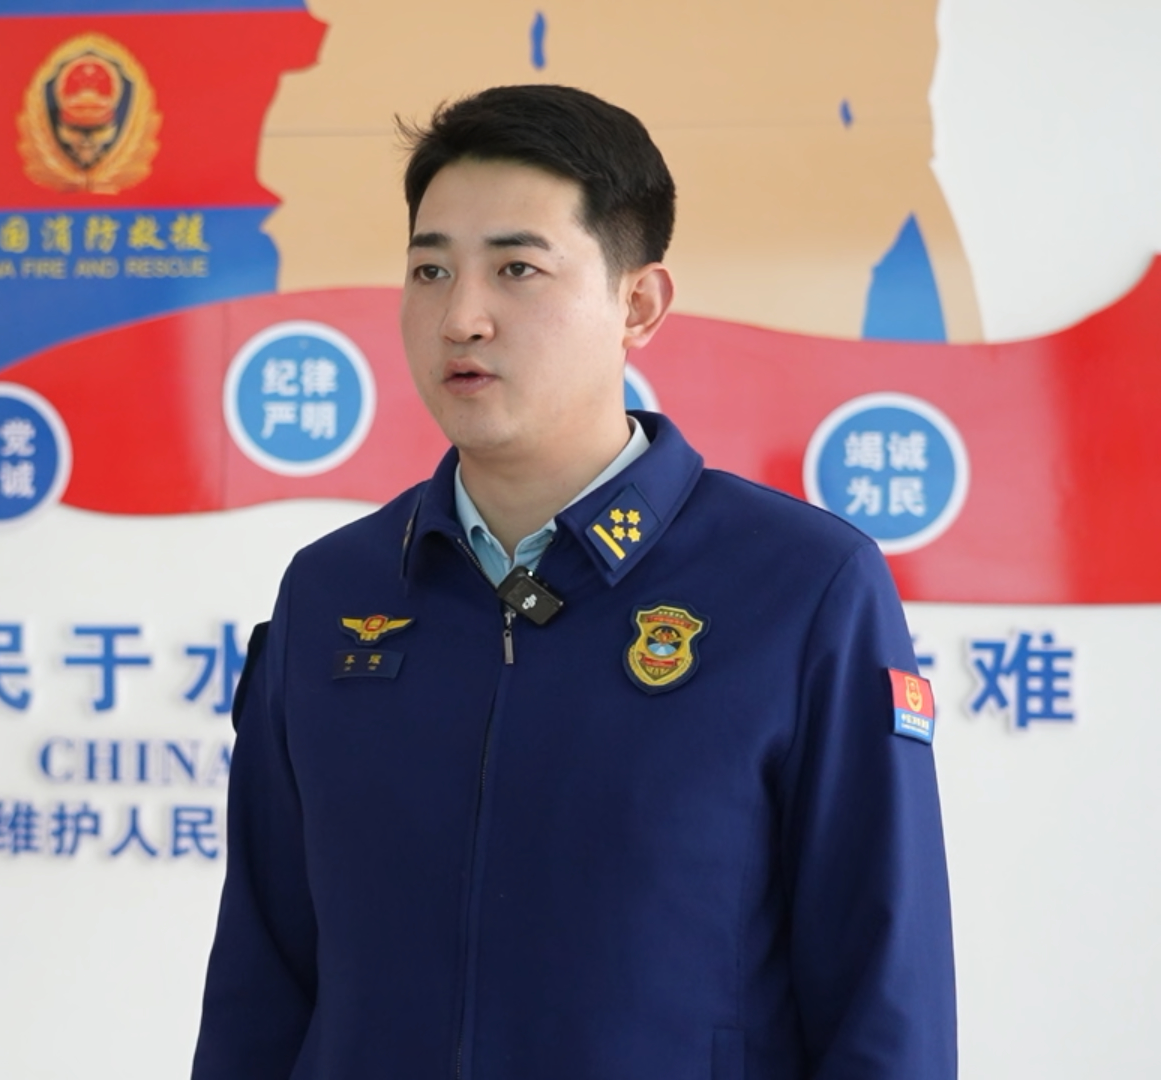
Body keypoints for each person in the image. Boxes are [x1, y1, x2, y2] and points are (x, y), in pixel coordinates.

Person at [191, 85, 955, 1079]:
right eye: (430, 269)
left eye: (517, 268)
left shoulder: (801, 588)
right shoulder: (333, 592)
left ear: (638, 304)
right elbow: (261, 984)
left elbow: (883, 998)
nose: (461, 316)